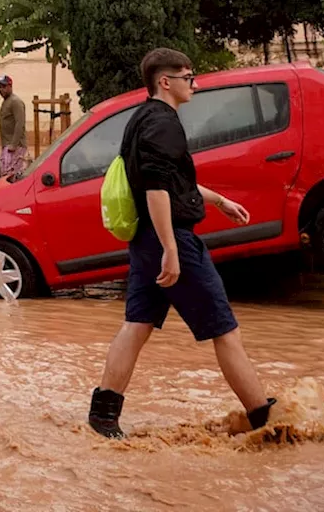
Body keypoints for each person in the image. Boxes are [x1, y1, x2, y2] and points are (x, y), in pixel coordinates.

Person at [88, 48, 276, 439]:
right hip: (169, 239)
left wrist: (220, 200)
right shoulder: (163, 123)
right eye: (188, 76)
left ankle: (103, 416)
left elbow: (172, 182)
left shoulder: (141, 118)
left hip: (145, 240)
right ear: (165, 81)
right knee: (225, 330)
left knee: (136, 325)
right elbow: (156, 188)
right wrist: (171, 249)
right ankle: (266, 421)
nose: (195, 83)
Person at [0, 74, 28, 177]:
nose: (1, 90)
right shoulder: (6, 102)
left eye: (4, 87)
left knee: (10, 175)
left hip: (15, 146)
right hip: (7, 145)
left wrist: (13, 144)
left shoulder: (15, 102)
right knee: (6, 173)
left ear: (10, 86)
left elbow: (20, 123)